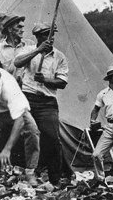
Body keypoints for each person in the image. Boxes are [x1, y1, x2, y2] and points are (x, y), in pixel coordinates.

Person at [13, 22, 74, 187]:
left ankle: (55, 178)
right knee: (27, 134)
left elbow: (62, 82)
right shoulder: (27, 50)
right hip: (28, 98)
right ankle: (23, 171)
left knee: (53, 139)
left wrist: (45, 80)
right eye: (46, 35)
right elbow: (18, 63)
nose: (50, 38)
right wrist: (38, 51)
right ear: (38, 37)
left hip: (47, 102)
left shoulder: (59, 56)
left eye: (52, 35)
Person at [0, 67, 40, 187]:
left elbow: (20, 120)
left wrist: (7, 149)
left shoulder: (9, 87)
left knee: (33, 131)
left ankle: (30, 172)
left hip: (14, 111)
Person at [0, 14, 29, 82]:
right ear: (9, 29)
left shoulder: (28, 47)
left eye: (23, 27)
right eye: (19, 27)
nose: (23, 30)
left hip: (26, 90)